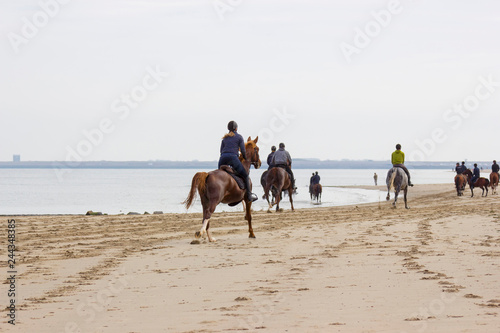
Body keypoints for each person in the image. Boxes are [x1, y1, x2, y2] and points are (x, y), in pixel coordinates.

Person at [218, 121, 258, 202]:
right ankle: (249, 196)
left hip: (222, 158)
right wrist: (245, 158)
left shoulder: (224, 138)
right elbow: (243, 151)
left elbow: (221, 151)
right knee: (246, 176)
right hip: (233, 158)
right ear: (236, 128)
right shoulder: (239, 137)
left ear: (228, 129)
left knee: (219, 177)